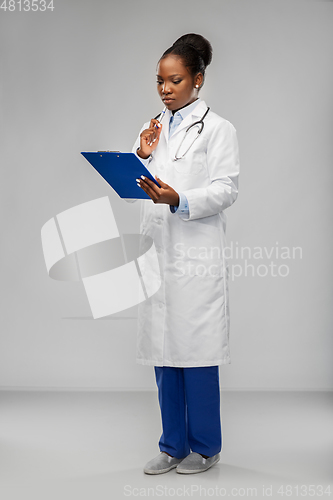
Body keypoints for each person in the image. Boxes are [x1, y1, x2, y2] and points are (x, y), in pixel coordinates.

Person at [130, 33, 240, 474]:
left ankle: (206, 447)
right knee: (163, 353)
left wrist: (179, 199)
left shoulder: (218, 128)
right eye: (159, 80)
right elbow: (139, 178)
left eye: (174, 80)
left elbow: (226, 188)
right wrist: (139, 154)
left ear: (197, 80)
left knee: (196, 355)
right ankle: (172, 445)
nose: (164, 89)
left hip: (194, 254)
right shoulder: (151, 127)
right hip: (159, 251)